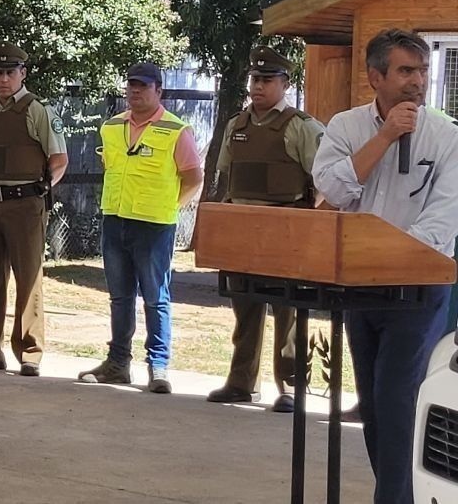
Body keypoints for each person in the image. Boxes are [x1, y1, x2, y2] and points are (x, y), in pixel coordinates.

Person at [313, 28, 458, 504]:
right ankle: (397, 494)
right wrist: (386, 135)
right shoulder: (346, 127)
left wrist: (396, 258)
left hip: (418, 287)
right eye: (405, 71)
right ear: (375, 77)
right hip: (360, 287)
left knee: (398, 399)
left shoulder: (448, 136)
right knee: (374, 406)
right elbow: (333, 193)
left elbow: (442, 219)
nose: (417, 82)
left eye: (423, 71)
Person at [206, 47, 325, 413]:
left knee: (288, 311)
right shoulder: (236, 125)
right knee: (245, 308)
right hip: (243, 230)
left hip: (284, 229)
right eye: (255, 79)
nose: (258, 86)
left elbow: (324, 180)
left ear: (285, 84)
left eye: (267, 80)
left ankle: (290, 388)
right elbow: (227, 177)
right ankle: (242, 382)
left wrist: (302, 220)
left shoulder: (300, 127)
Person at [79, 62, 203, 394]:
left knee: (155, 297)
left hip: (154, 226)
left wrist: (169, 206)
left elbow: (193, 178)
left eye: (143, 86)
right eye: (131, 85)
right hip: (115, 220)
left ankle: (158, 366)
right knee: (120, 297)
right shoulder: (111, 127)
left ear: (158, 91)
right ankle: (118, 363)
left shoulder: (176, 130)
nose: (135, 91)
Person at [0, 42, 68, 377]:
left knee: (29, 278)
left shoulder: (38, 110)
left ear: (23, 73)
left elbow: (59, 159)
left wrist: (40, 192)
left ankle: (30, 351)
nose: (3, 79)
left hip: (26, 204)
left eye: (10, 72)